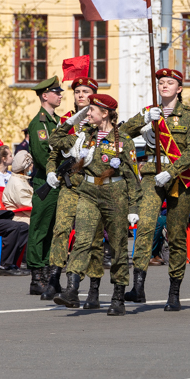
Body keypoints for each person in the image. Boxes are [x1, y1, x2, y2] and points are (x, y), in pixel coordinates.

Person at [120, 68, 190, 311]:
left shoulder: (189, 115)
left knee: (176, 235)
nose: (164, 86)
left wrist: (173, 170)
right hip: (151, 177)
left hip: (179, 178)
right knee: (144, 227)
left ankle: (174, 293)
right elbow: (121, 134)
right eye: (161, 82)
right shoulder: (150, 112)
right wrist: (143, 120)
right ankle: (138, 287)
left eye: (170, 82)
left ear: (179, 88)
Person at [54, 94, 141, 316]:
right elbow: (54, 141)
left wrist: (134, 208)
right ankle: (72, 290)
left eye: (92, 109)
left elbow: (132, 177)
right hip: (89, 192)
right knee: (83, 240)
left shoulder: (123, 140)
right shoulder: (84, 135)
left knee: (118, 246)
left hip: (115, 194)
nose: (88, 112)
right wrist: (71, 121)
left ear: (105, 113)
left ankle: (118, 296)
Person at [40, 75, 98, 301]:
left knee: (88, 236)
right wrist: (50, 172)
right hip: (70, 184)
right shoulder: (66, 121)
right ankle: (54, 279)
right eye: (77, 92)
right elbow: (53, 152)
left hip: (92, 186)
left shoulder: (99, 120)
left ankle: (80, 282)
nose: (81, 95)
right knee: (60, 230)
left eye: (85, 91)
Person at [25, 76, 63, 296]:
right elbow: (41, 154)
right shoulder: (40, 123)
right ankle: (37, 276)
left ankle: (49, 273)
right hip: (45, 181)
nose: (59, 96)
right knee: (40, 228)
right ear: (45, 95)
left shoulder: (55, 121)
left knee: (52, 229)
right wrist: (53, 170)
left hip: (57, 180)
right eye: (56, 93)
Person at [2, 151, 34, 224]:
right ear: (25, 167)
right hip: (20, 218)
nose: (32, 166)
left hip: (23, 215)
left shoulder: (20, 179)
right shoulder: (18, 184)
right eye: (31, 164)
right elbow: (26, 205)